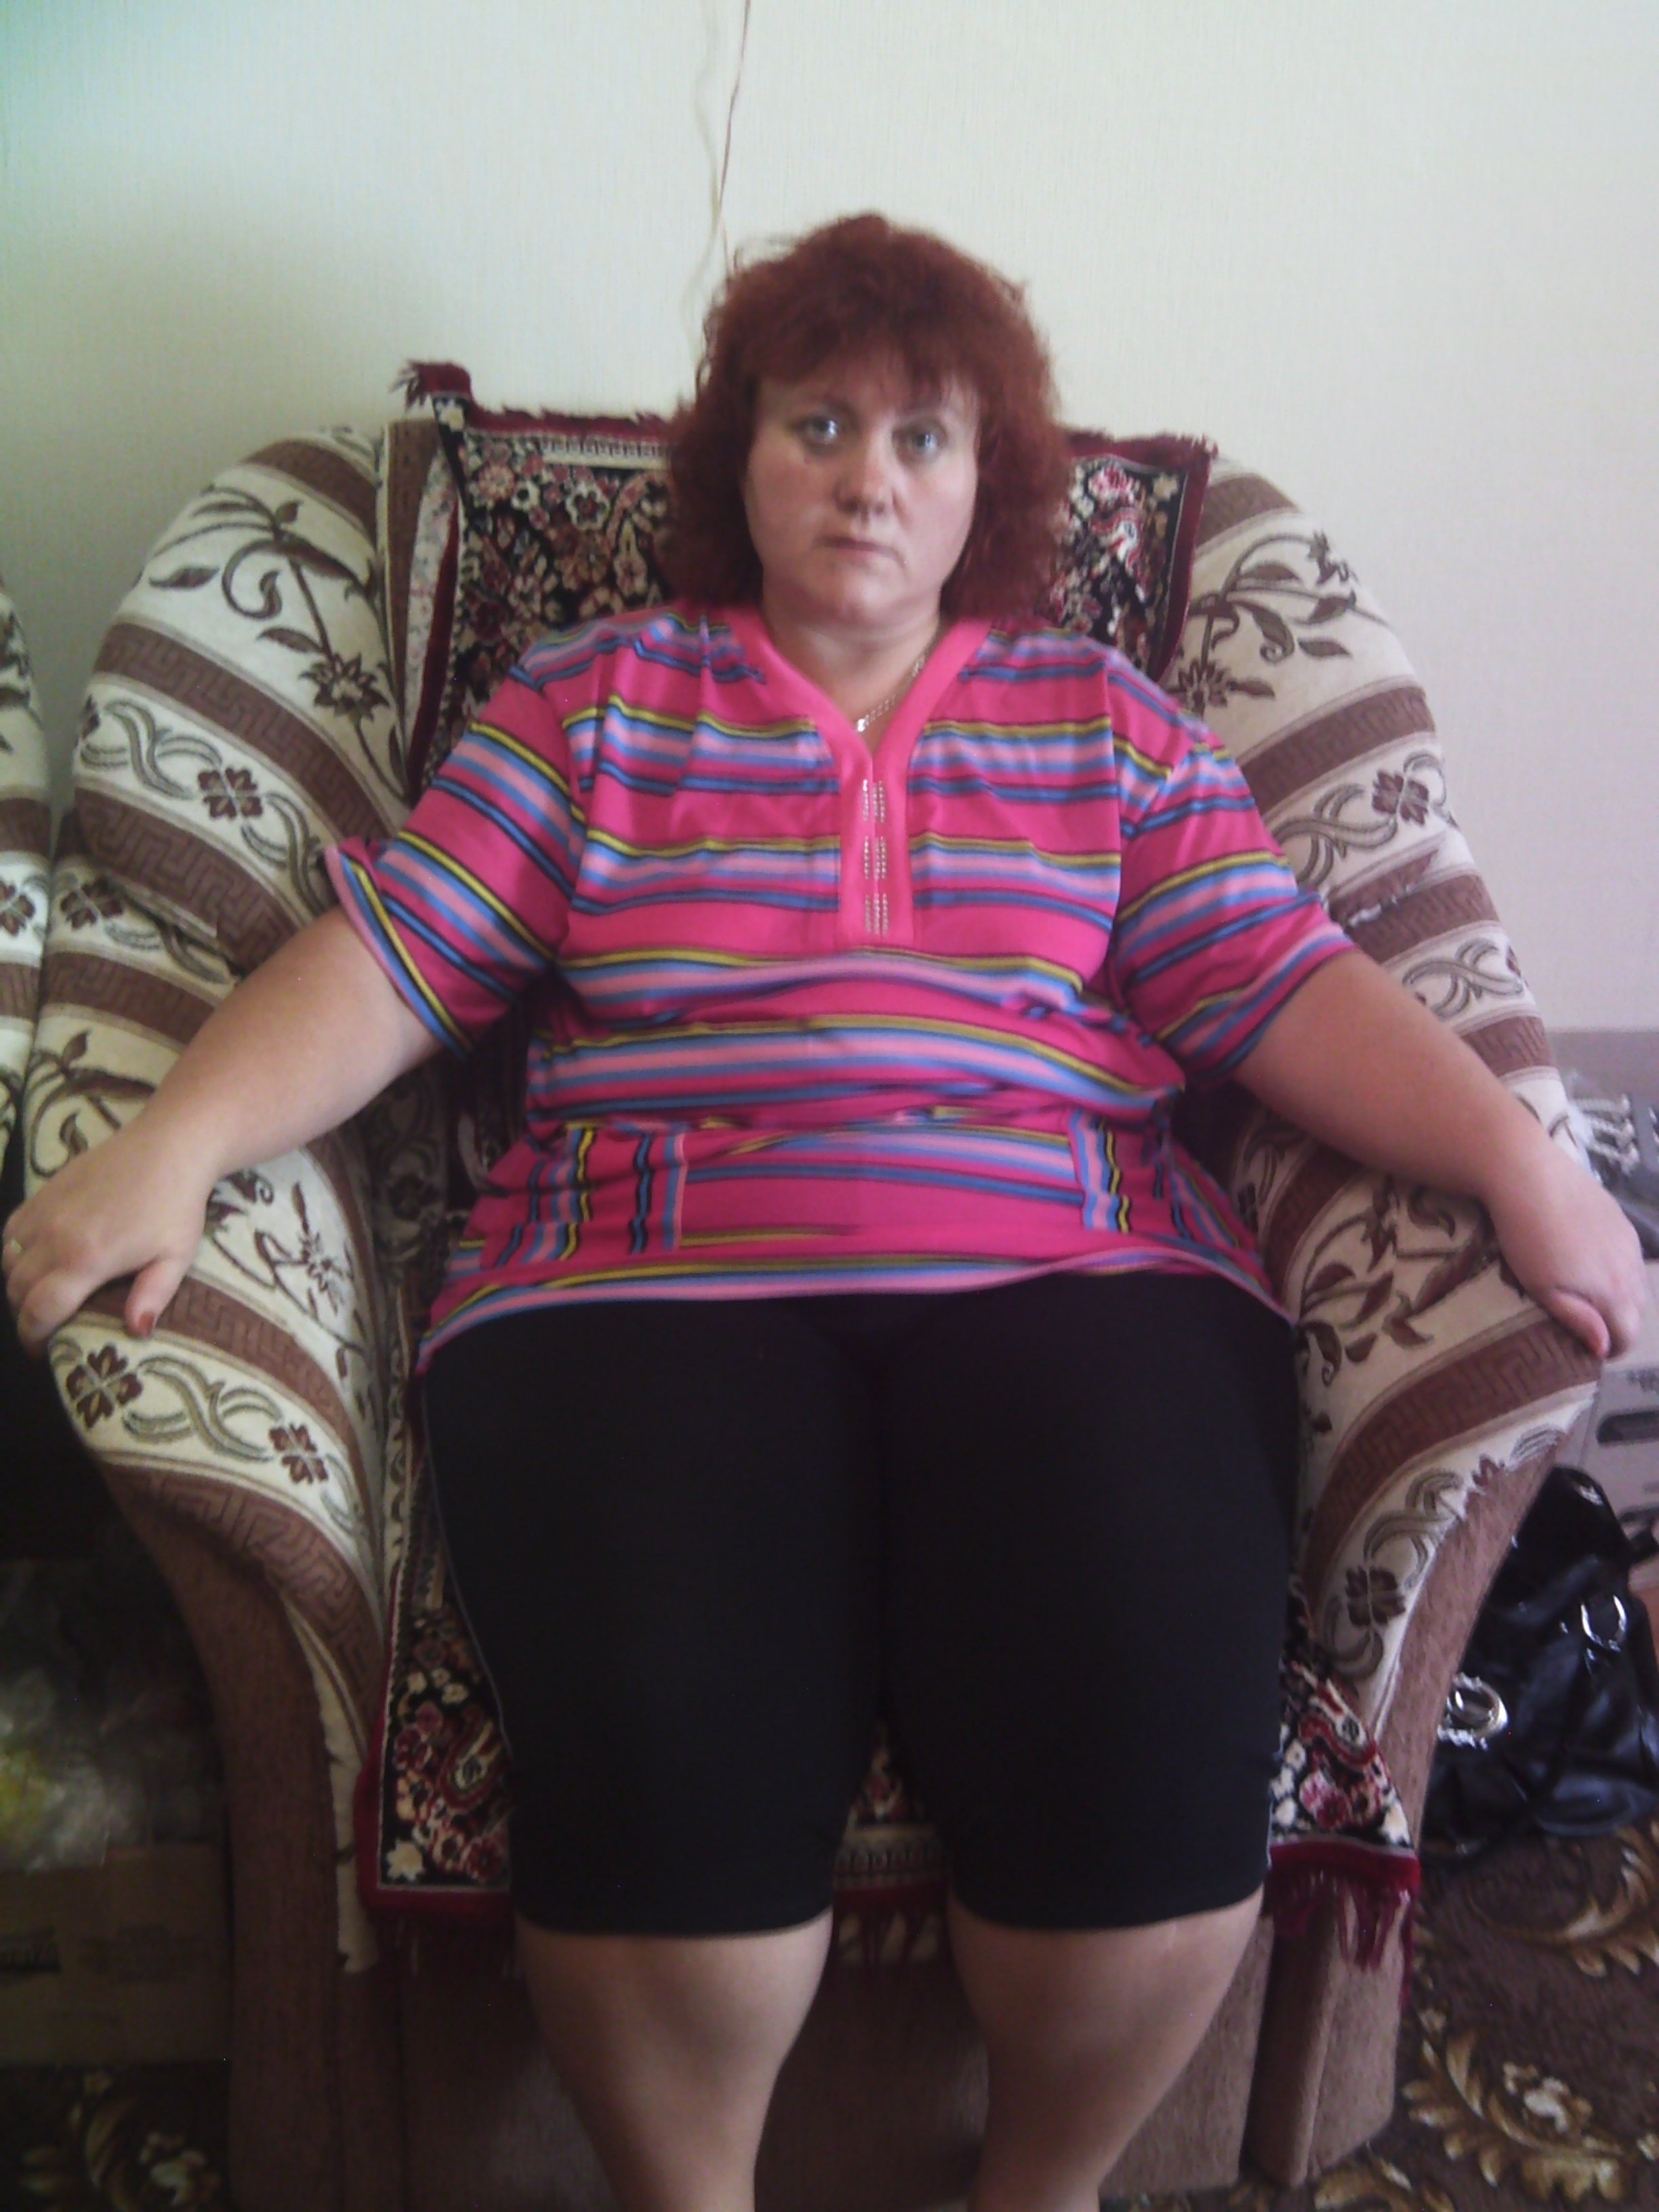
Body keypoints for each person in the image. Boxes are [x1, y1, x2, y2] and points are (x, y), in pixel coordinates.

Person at [3, 216, 1645, 2212]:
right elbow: (396, 959)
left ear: (988, 487)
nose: (871, 476)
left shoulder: (1106, 725)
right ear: (744, 455)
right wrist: (175, 1141)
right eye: (822, 424)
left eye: (924, 438)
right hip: (644, 1281)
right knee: (668, 1754)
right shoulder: (595, 701)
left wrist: (1521, 1159)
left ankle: (1041, 2186)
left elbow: (1287, 985)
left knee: (1143, 1729)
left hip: (1073, 1265)